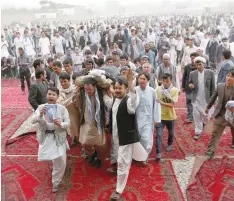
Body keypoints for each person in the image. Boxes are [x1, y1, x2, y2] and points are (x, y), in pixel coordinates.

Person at [107, 71, 140, 201]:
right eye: (116, 88)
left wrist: (131, 83)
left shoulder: (128, 102)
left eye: (120, 88)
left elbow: (134, 100)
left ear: (125, 89)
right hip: (116, 138)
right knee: (121, 163)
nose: (117, 90)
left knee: (122, 164)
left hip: (125, 139)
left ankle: (118, 190)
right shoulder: (115, 99)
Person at [31, 87, 70, 193]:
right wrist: (40, 114)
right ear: (46, 95)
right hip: (46, 137)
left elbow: (68, 123)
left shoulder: (62, 108)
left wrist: (61, 124)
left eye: (53, 94)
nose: (51, 96)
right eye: (49, 94)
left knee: (61, 161)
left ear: (57, 97)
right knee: (49, 158)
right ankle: (54, 166)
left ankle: (56, 183)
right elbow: (32, 121)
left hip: (59, 138)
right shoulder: (41, 107)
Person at [205, 70, 234, 158]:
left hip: (232, 115)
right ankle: (211, 151)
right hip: (220, 114)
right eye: (228, 75)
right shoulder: (220, 86)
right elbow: (213, 97)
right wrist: (208, 107)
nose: (228, 78)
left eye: (231, 76)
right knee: (215, 133)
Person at [135, 72, 161, 165]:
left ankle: (145, 156)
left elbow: (157, 105)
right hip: (136, 119)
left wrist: (156, 119)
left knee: (146, 139)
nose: (141, 81)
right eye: (140, 78)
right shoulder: (134, 90)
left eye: (144, 79)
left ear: (148, 81)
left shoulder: (152, 91)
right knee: (137, 138)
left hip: (148, 119)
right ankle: (137, 156)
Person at [189, 56, 215, 140]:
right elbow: (189, 83)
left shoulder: (210, 73)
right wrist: (190, 85)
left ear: (204, 64)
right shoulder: (192, 73)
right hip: (196, 98)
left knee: (206, 116)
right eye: (196, 64)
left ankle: (203, 123)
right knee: (196, 116)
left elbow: (213, 87)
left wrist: (213, 99)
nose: (198, 66)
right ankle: (198, 132)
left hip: (206, 99)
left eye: (200, 64)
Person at [155, 73, 178, 160]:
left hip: (170, 116)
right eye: (163, 81)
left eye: (167, 81)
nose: (165, 83)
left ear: (171, 81)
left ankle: (170, 144)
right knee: (159, 135)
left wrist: (161, 103)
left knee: (171, 133)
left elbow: (172, 104)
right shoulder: (157, 89)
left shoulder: (174, 90)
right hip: (160, 116)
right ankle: (158, 152)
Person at [182, 52, 200, 122]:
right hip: (188, 87)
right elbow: (184, 77)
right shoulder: (187, 67)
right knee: (189, 102)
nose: (193, 60)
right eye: (192, 58)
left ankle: (197, 116)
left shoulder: (201, 67)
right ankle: (190, 117)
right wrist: (183, 86)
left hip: (197, 88)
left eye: (194, 58)